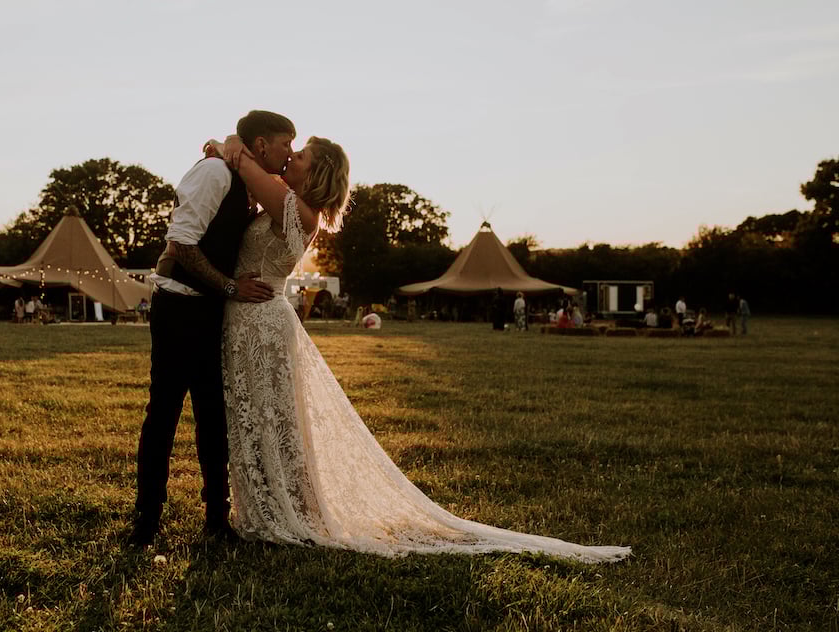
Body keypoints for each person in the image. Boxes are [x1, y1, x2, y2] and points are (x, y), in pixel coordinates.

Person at [207, 133, 629, 563]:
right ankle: (270, 505)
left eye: (300, 157)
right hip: (249, 318)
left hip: (261, 321)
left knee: (270, 414)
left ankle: (283, 512)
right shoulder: (285, 200)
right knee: (257, 415)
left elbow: (241, 160)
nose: (290, 160)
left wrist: (227, 145)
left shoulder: (298, 210)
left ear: (317, 174)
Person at [127, 110, 293, 548]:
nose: (289, 153)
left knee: (212, 416)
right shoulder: (214, 172)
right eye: (284, 144)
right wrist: (230, 287)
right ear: (260, 145)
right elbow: (181, 244)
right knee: (164, 412)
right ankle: (146, 522)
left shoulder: (249, 180)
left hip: (213, 312)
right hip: (179, 308)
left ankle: (216, 520)